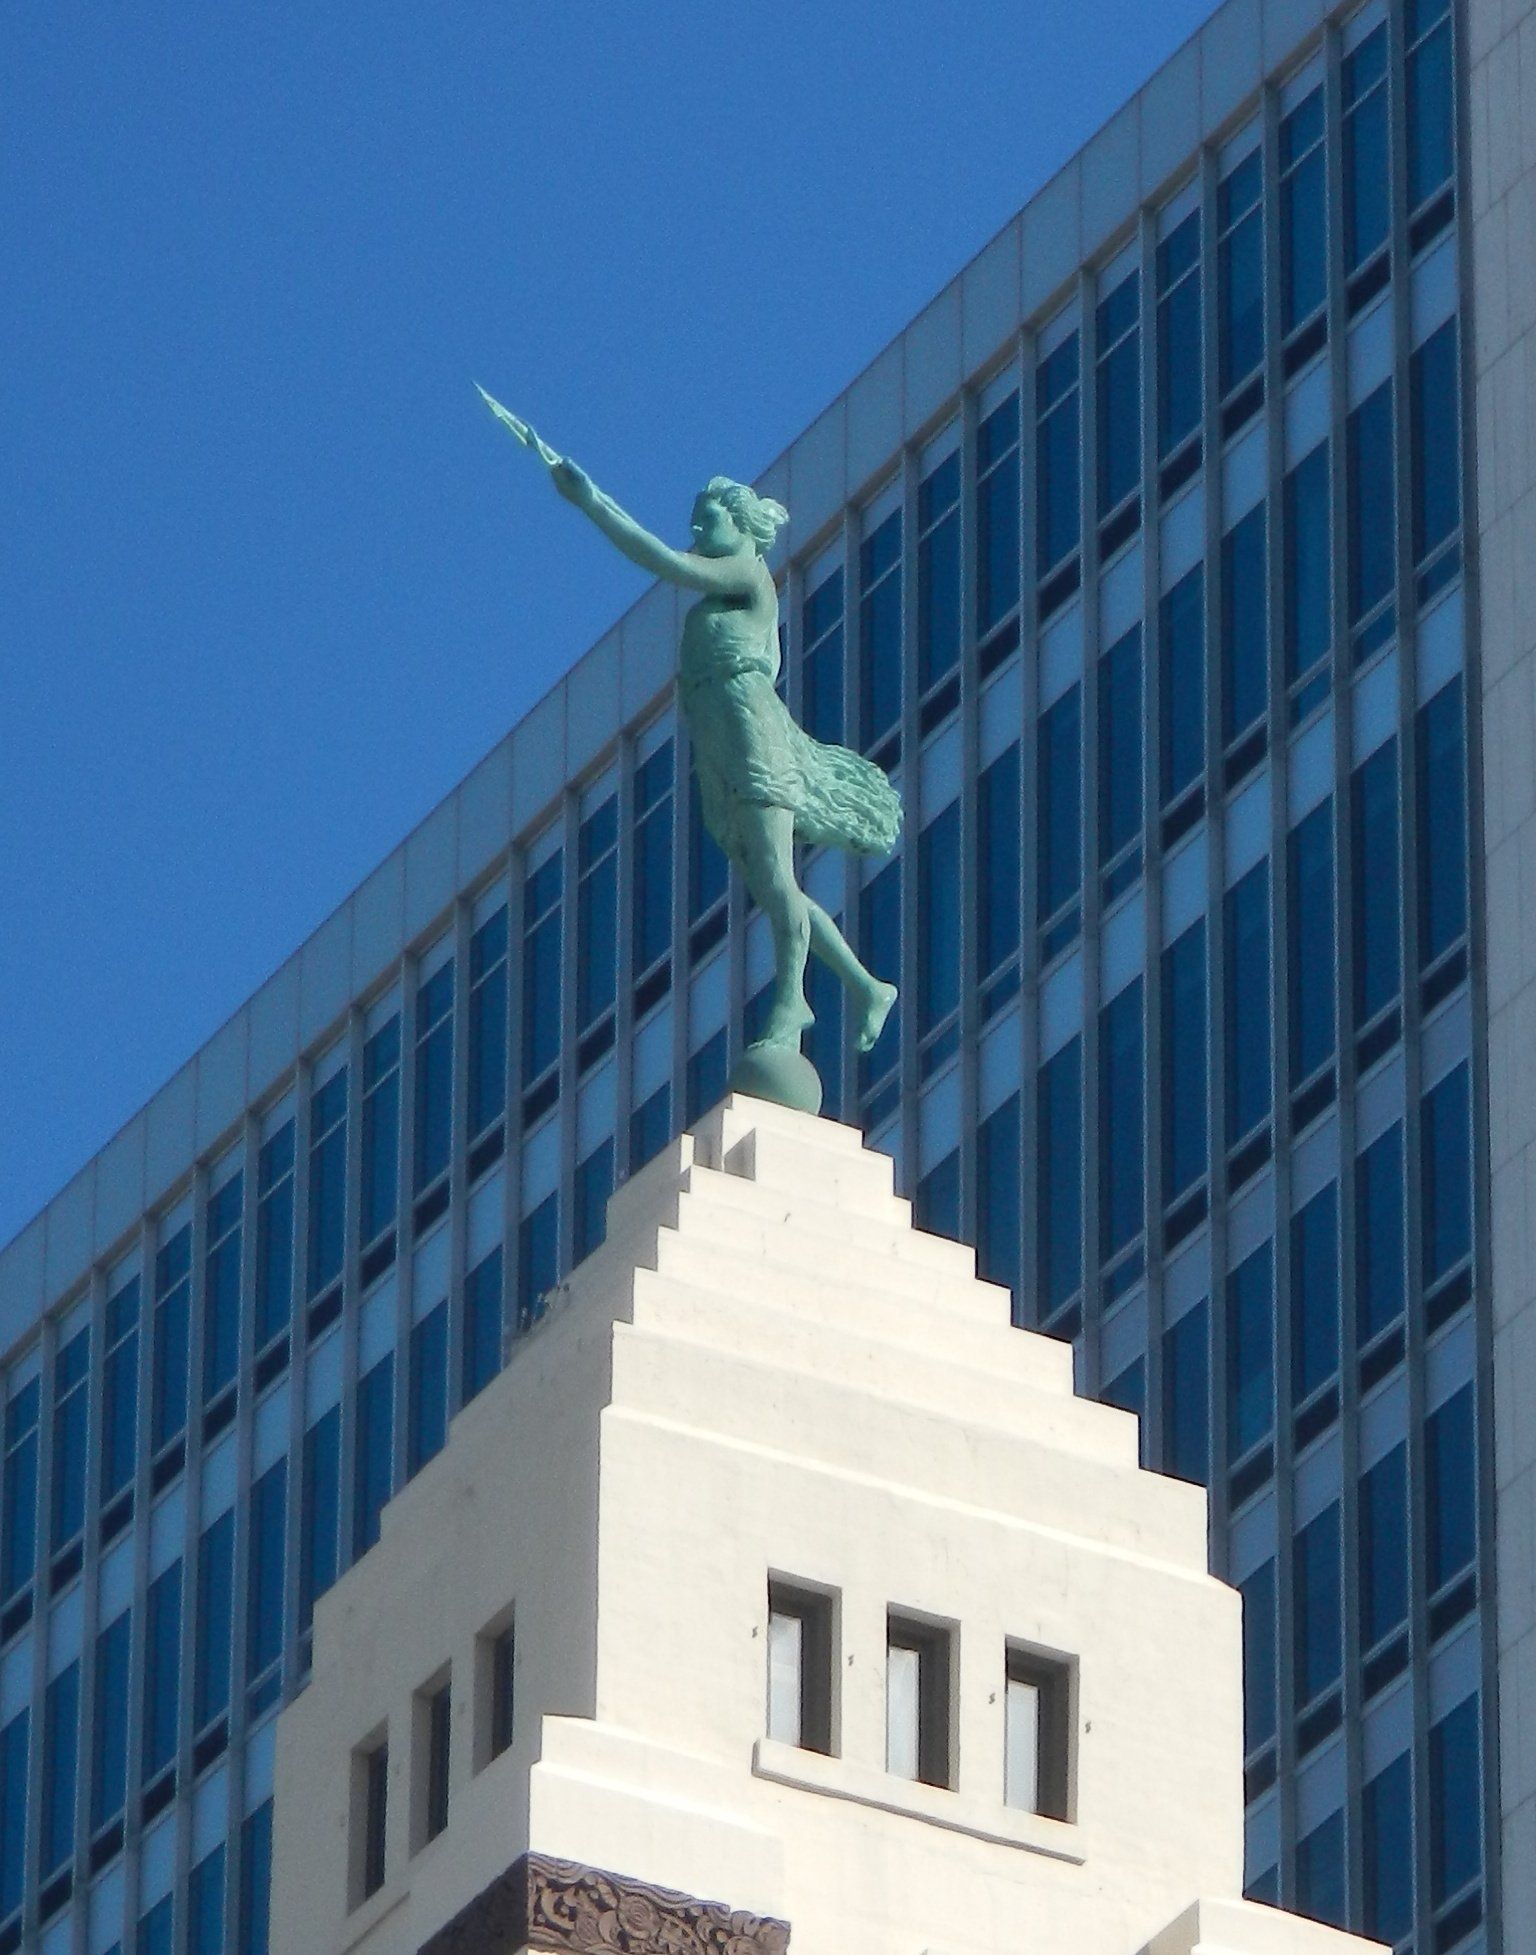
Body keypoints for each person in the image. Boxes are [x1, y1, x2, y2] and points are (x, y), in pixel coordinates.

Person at [540, 448, 900, 1054]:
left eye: (707, 520)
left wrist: (592, 502)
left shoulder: (746, 574)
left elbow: (661, 560)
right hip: (718, 745)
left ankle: (793, 1001)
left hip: (752, 735)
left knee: (779, 880)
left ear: (740, 527)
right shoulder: (716, 604)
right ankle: (867, 987)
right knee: (772, 882)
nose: (697, 530)